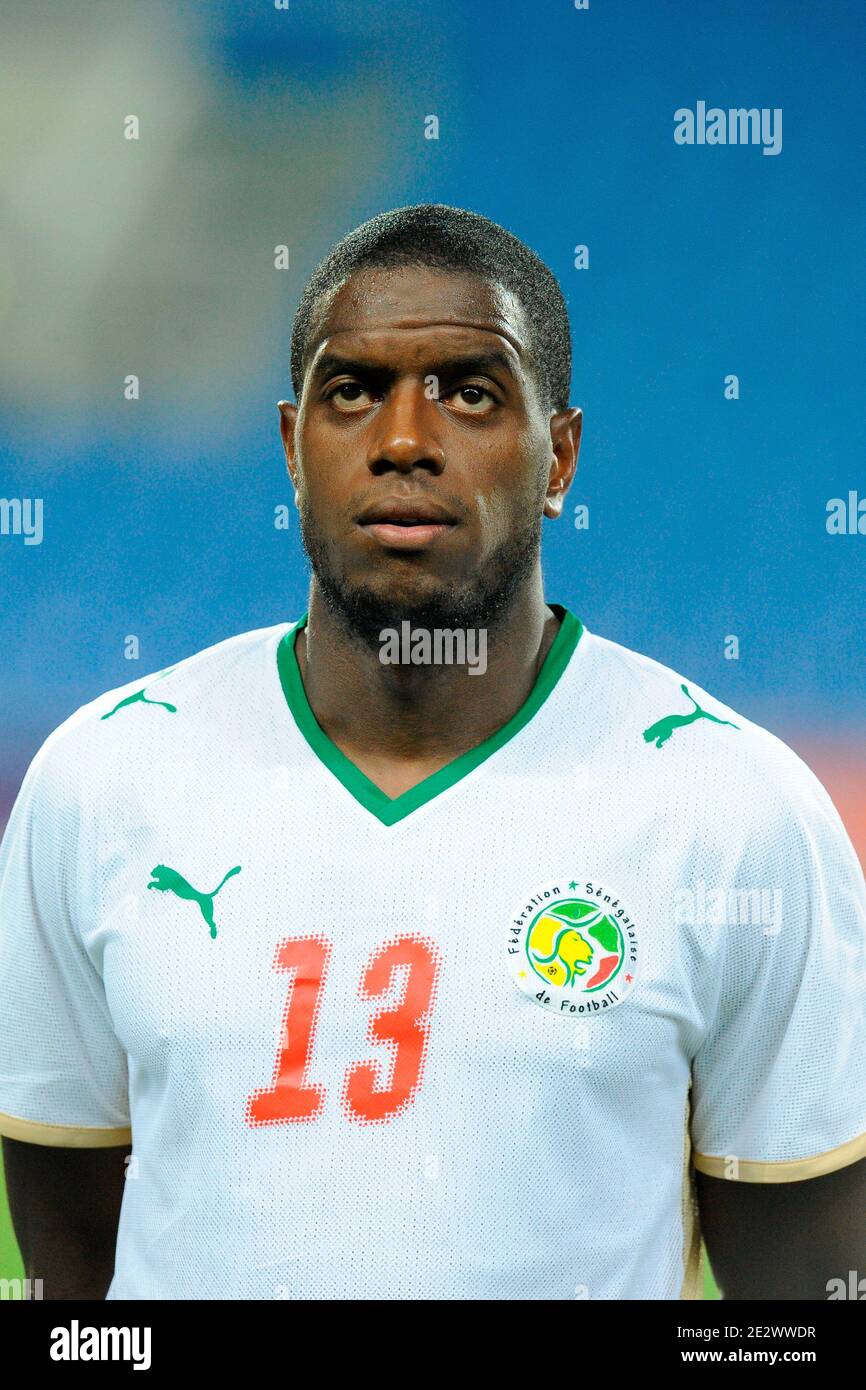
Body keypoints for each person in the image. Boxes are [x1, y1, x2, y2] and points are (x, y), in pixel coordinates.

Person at [1, 204, 864, 1300]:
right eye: (350, 390)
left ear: (558, 456)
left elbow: (796, 1306)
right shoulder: (104, 781)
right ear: (291, 449)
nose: (402, 439)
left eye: (468, 390)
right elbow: (72, 1280)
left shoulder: (735, 814)